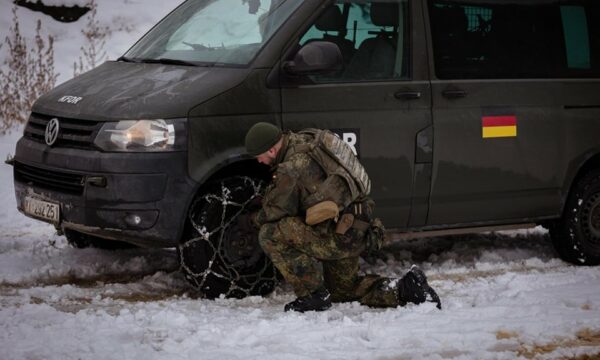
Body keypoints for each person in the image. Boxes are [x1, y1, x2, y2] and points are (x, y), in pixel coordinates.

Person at [242, 122, 441, 312]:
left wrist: (251, 218)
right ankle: (407, 289)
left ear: (271, 150)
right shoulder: (308, 137)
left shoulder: (292, 167)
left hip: (339, 235)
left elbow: (275, 212)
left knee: (270, 233)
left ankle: (313, 295)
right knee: (343, 291)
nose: (259, 162)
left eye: (259, 157)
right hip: (357, 226)